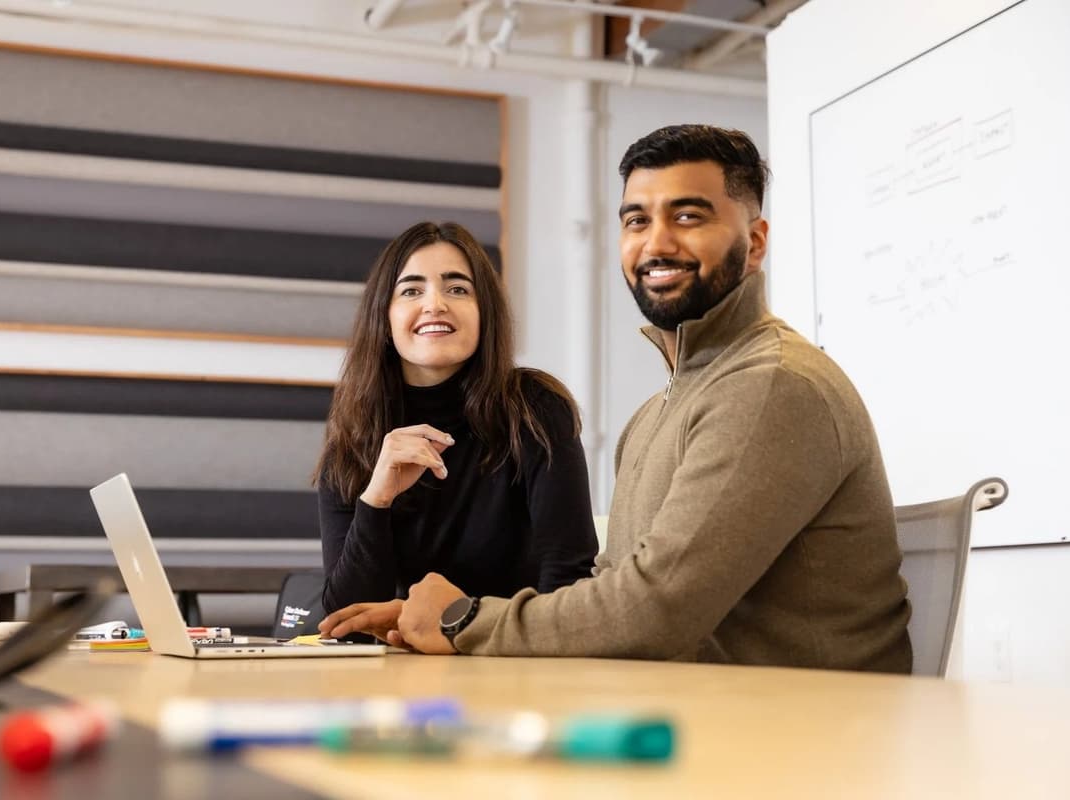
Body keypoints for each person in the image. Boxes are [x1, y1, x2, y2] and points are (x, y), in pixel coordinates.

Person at [321, 126, 912, 673]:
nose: (657, 242)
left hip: (793, 736)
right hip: (686, 709)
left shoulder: (769, 386)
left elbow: (653, 610)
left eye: (688, 216)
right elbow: (606, 595)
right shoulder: (657, 414)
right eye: (636, 220)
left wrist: (461, 619)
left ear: (754, 244)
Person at [315, 221, 598, 637]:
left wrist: (465, 631)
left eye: (457, 288)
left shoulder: (533, 409)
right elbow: (346, 625)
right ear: (385, 318)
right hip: (394, 682)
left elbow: (568, 583)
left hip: (512, 669)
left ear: (485, 313)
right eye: (411, 290)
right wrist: (376, 499)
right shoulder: (353, 439)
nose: (435, 304)